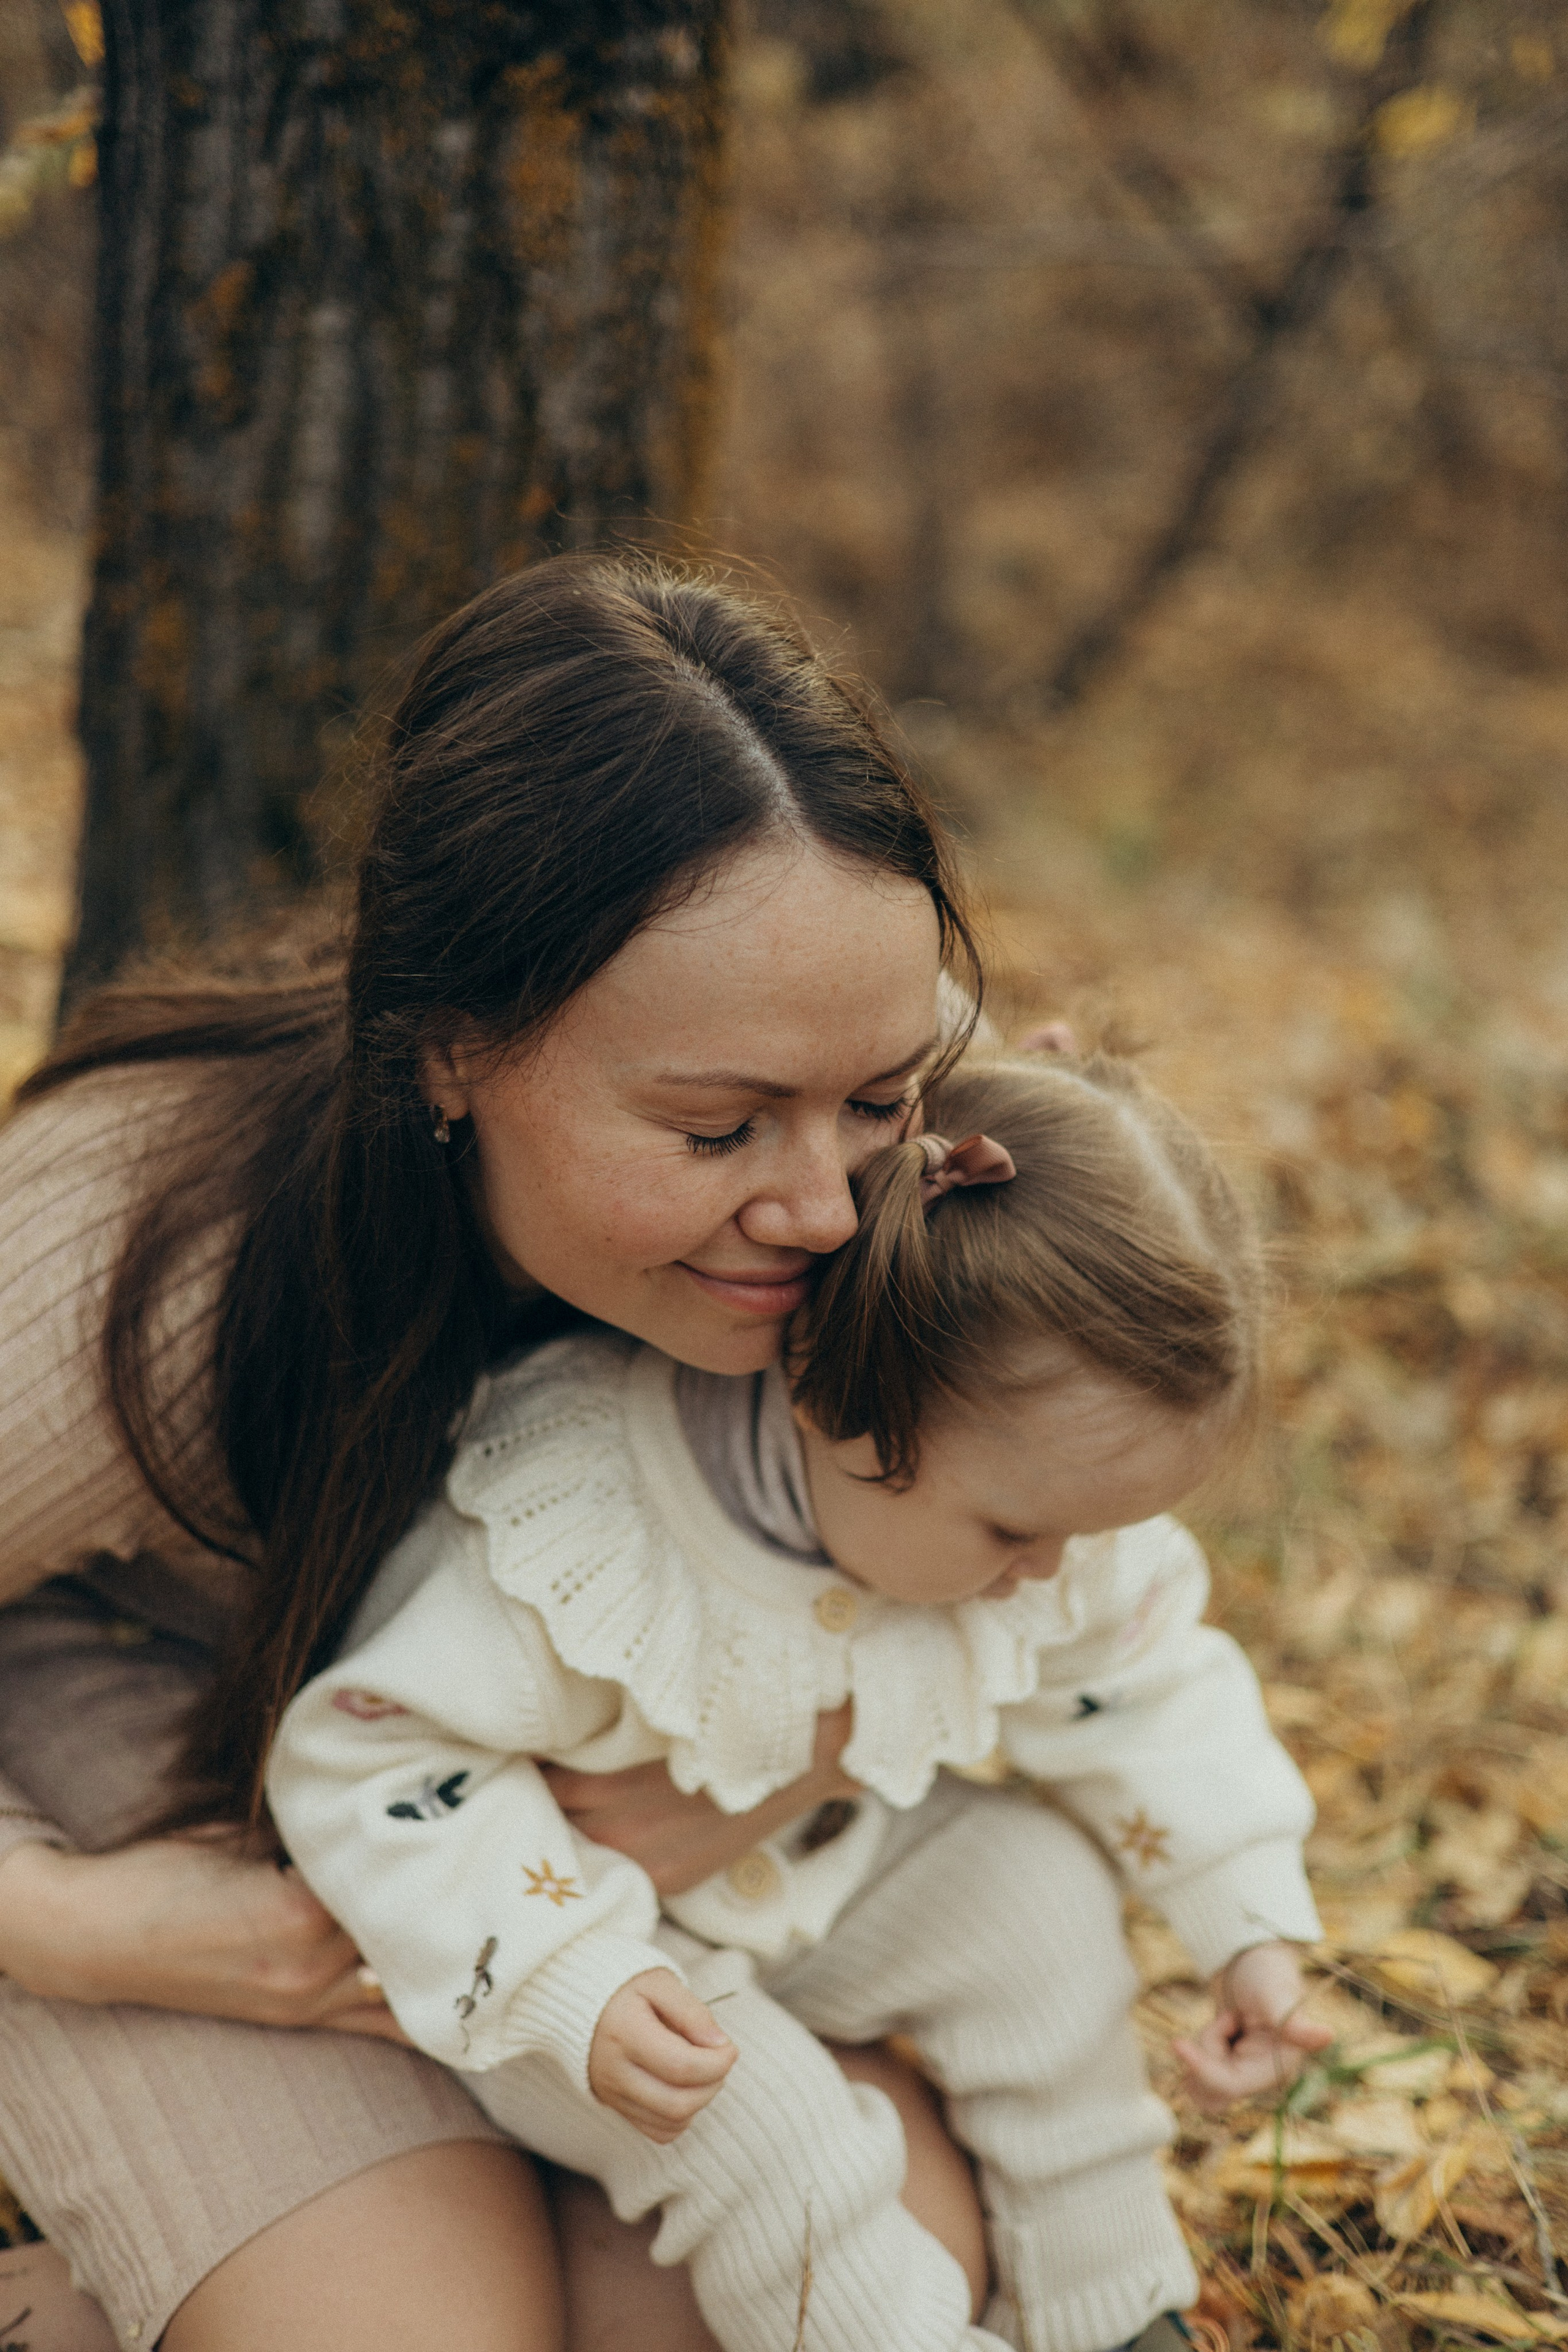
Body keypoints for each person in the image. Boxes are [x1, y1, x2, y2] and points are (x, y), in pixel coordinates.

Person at [0, 552, 993, 2352]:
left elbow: (1062, 1547)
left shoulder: (899, 1188)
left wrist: (791, 1752)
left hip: (580, 1904)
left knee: (867, 2279)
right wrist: (71, 1926)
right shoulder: (136, 1257)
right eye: (712, 1128)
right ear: (453, 1050)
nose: (823, 1206)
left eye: (878, 1098)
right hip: (179, 1805)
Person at [265, 1044, 1333, 2352]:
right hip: (599, 1980)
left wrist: (1241, 1926)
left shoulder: (1026, 1507)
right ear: (838, 1413)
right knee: (766, 2131)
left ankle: (1109, 2303)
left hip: (815, 1881)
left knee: (1038, 1902)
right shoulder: (574, 1535)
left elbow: (1144, 1681)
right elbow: (371, 1761)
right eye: (1014, 1534)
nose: (1050, 1573)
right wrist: (567, 1977)